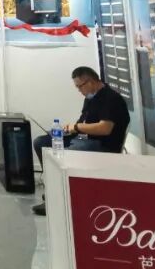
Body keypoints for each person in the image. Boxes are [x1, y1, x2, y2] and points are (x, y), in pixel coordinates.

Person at [31, 65, 130, 216]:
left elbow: (105, 128)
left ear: (90, 82)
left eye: (80, 86)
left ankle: (59, 199)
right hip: (84, 139)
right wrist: (69, 129)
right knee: (41, 143)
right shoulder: (90, 97)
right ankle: (53, 190)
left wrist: (77, 127)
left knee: (62, 157)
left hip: (102, 145)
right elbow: (84, 121)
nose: (79, 90)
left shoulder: (111, 99)